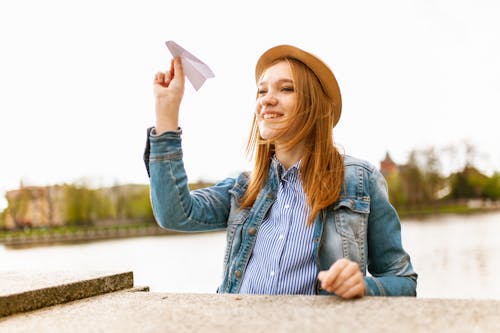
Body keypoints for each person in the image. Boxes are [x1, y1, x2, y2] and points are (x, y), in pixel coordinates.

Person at [143, 44, 417, 299]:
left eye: (285, 89)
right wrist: (166, 113)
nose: (267, 100)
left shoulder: (359, 181)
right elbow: (174, 214)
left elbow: (403, 281)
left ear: (314, 105)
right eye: (262, 91)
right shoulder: (244, 189)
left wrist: (362, 286)